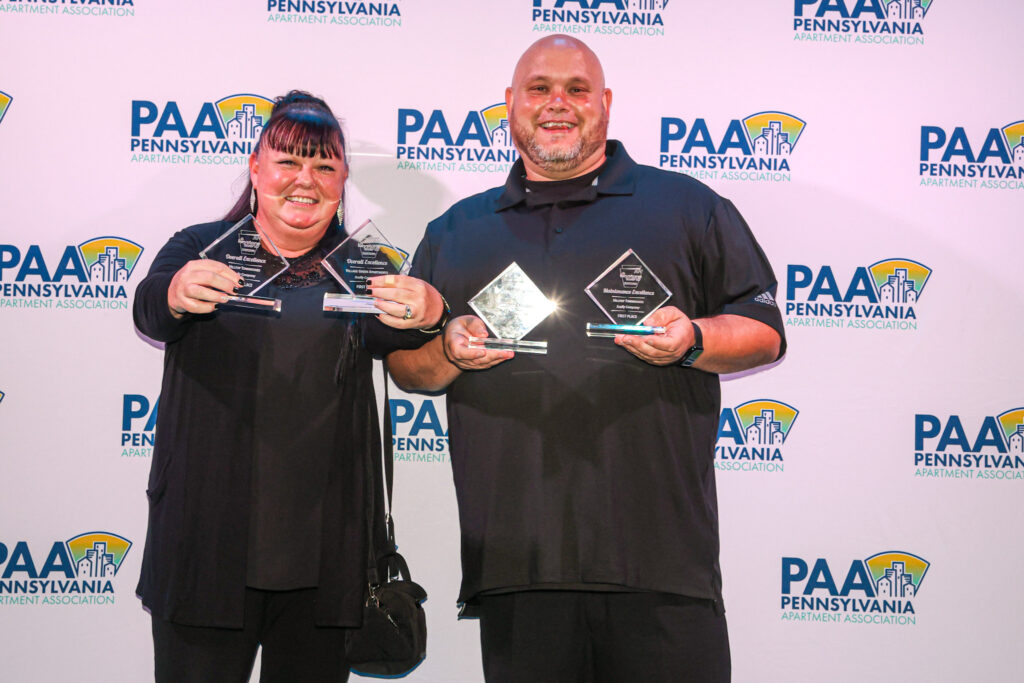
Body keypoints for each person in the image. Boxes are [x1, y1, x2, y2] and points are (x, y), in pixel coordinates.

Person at [386, 36, 786, 682]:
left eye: (577, 89)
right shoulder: (457, 231)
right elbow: (408, 369)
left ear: (605, 103)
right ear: (510, 104)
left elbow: (764, 331)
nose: (558, 104)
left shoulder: (687, 207)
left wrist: (694, 338)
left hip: (664, 572)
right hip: (520, 571)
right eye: (540, 88)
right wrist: (449, 349)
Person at [133, 91, 445, 683]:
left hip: (326, 566)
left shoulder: (366, 266)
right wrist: (173, 292)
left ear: (342, 179)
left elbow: (416, 353)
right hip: (206, 550)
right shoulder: (198, 247)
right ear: (256, 168)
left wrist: (432, 310)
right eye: (289, 162)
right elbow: (151, 311)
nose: (306, 179)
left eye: (324, 166)